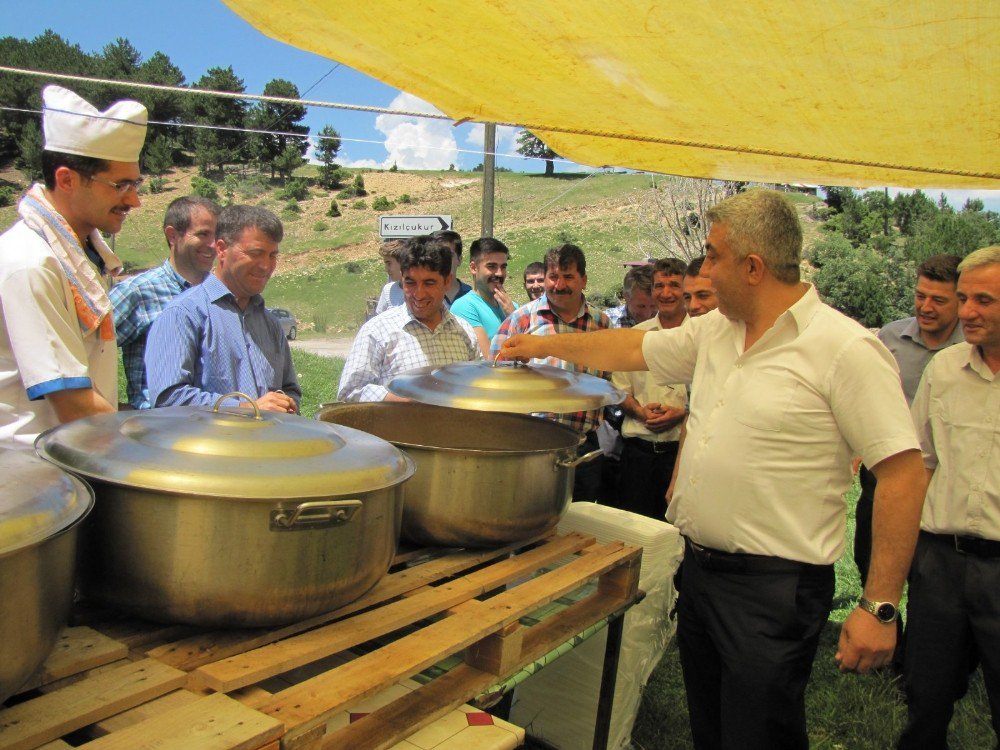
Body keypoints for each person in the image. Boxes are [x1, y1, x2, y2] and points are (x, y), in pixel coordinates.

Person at [500, 190, 926, 750]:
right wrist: (535, 344)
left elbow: (903, 474)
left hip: (774, 590)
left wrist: (879, 605)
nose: (702, 270)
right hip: (701, 574)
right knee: (712, 729)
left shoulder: (844, 348)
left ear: (752, 267)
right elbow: (632, 346)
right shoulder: (715, 332)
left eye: (711, 256)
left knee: (758, 735)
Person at [0, 85, 147, 444]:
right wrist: (151, 447)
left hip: (69, 462)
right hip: (30, 480)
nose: (135, 200)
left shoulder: (79, 255)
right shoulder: (30, 262)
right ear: (66, 179)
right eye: (120, 185)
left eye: (136, 183)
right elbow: (74, 405)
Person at [900, 245, 1000, 750]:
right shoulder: (944, 370)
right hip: (942, 563)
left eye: (984, 300)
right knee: (926, 695)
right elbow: (920, 463)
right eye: (964, 298)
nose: (968, 312)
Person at [854, 254, 965, 590]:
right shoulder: (890, 338)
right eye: (920, 296)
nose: (926, 307)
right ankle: (888, 627)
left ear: (960, 302)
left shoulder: (970, 349)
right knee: (868, 555)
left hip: (943, 475)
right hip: (884, 469)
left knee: (929, 571)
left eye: (938, 300)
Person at [145, 205, 300, 413]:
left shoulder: (270, 324)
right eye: (256, 253)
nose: (266, 265)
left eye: (272, 255)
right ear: (221, 249)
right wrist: (247, 409)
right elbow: (168, 397)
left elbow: (290, 389)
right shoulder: (184, 314)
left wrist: (286, 403)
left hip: (266, 444)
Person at [492, 243, 611, 501]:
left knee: (582, 521)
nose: (559, 285)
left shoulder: (601, 322)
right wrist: (513, 363)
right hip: (533, 444)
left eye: (568, 277)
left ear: (584, 280)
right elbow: (491, 373)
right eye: (553, 276)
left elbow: (608, 379)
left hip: (584, 444)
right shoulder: (522, 319)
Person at [338, 235, 481, 402]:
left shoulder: (464, 332)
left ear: (447, 281)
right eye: (410, 283)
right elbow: (348, 393)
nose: (419, 294)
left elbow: (476, 388)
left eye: (429, 283)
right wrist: (401, 401)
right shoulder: (377, 331)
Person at [110, 196, 220, 410]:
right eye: (203, 234)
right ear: (172, 235)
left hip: (216, 432)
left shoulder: (220, 296)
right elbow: (86, 353)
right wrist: (113, 411)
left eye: (217, 235)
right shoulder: (139, 292)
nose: (213, 245)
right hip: (157, 433)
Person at [611, 257, 688, 519]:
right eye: (659, 286)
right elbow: (619, 390)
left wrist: (681, 413)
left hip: (681, 454)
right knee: (636, 535)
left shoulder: (702, 334)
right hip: (638, 455)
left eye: (674, 285)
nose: (666, 293)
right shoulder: (635, 337)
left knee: (677, 534)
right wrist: (641, 412)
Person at [665, 255, 720, 504]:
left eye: (703, 296)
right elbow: (692, 414)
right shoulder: (701, 342)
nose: (693, 305)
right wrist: (677, 478)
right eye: (688, 297)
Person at [449, 237, 516, 355]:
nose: (499, 273)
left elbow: (530, 353)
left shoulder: (512, 307)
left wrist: (512, 314)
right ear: (474, 268)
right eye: (492, 266)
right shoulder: (464, 307)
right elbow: (488, 360)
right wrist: (514, 319)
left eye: (503, 267)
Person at [605, 264, 657, 329]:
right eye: (641, 306)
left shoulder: (669, 323)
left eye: (653, 306)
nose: (647, 314)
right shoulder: (607, 322)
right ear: (626, 297)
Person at [429, 228, 472, 306]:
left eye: (448, 255)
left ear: (459, 260)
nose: (443, 260)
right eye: (437, 255)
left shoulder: (471, 296)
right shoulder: (421, 297)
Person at [372, 239, 405, 317]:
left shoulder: (420, 290)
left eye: (389, 263)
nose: (386, 269)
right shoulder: (388, 290)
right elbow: (378, 321)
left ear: (403, 262)